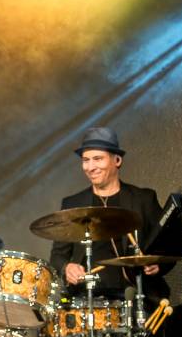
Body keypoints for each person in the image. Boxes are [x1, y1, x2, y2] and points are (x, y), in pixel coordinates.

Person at [48, 127, 172, 307]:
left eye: (98, 159)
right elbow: (57, 256)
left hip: (137, 296)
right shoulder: (72, 204)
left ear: (117, 160)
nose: (90, 167)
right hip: (88, 299)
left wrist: (158, 264)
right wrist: (67, 268)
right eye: (85, 160)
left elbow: (166, 245)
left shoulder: (143, 199)